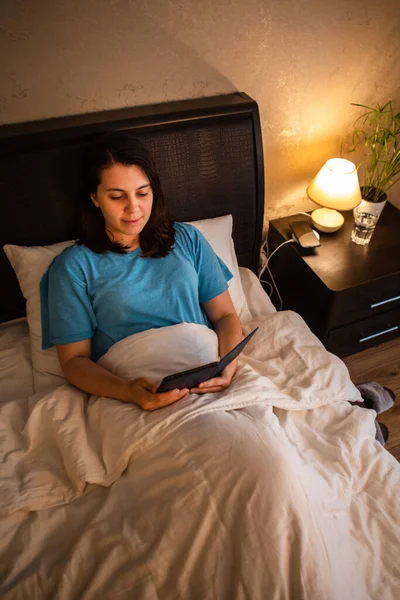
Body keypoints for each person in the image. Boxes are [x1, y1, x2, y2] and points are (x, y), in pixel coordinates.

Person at [40, 131, 243, 411]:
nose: (133, 208)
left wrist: (229, 366)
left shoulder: (187, 239)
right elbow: (74, 362)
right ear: (95, 198)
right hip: (133, 392)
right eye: (116, 196)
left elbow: (225, 315)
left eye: (142, 193)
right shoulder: (74, 266)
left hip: (209, 378)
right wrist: (129, 391)